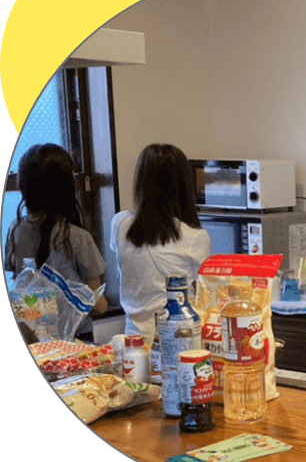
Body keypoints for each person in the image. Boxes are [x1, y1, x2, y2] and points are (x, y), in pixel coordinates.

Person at [5, 144, 108, 342]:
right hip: (76, 340)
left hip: (31, 339)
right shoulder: (78, 237)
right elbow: (99, 306)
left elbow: (19, 286)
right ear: (67, 187)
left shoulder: (15, 230)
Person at [110, 144, 211, 344]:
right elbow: (204, 296)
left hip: (133, 338)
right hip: (179, 337)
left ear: (141, 183)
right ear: (185, 185)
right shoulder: (195, 237)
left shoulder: (119, 223)